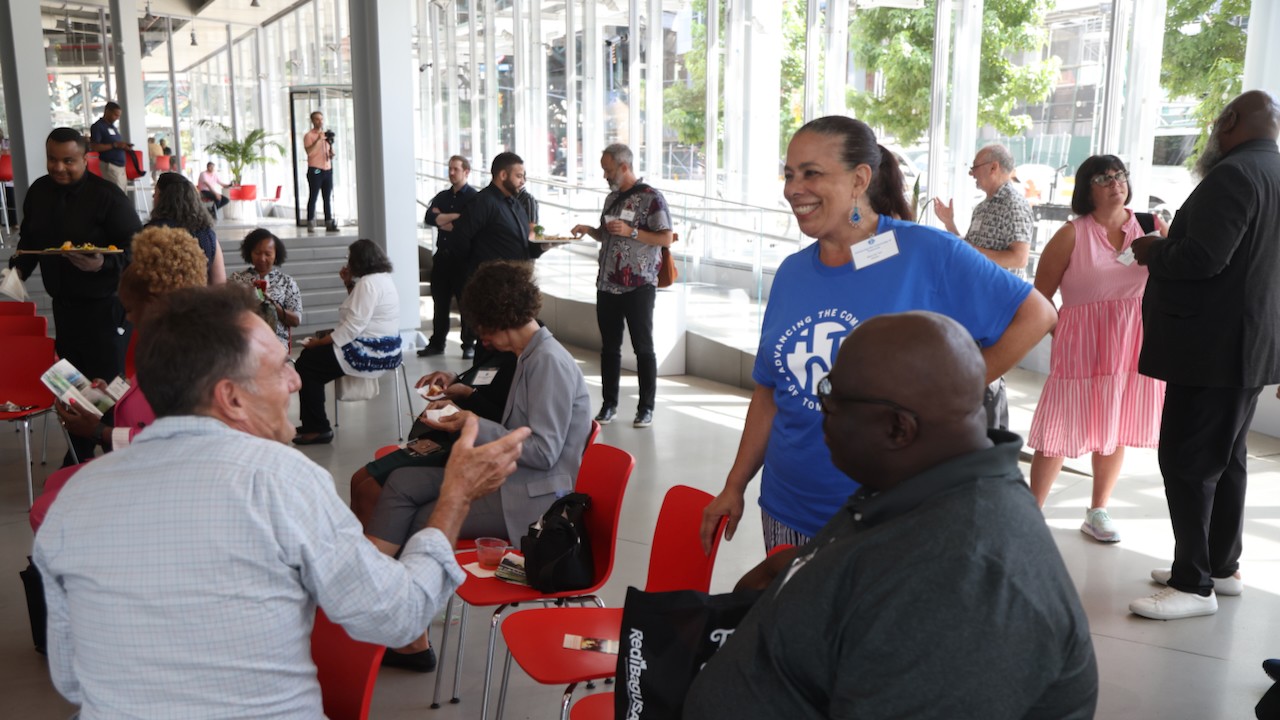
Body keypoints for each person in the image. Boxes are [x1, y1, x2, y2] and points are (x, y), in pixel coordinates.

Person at [33, 283, 530, 718]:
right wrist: (456, 495)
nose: (296, 380)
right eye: (278, 369)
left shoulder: (75, 496)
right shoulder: (279, 481)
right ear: (231, 398)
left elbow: (72, 679)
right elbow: (396, 616)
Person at [683, 311, 1097, 719]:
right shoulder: (921, 481)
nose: (819, 407)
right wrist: (804, 570)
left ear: (899, 429)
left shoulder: (964, 585)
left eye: (831, 395)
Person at [700, 116, 1056, 553]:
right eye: (790, 174)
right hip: (786, 510)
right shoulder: (793, 273)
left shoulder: (925, 252)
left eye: (812, 173)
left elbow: (1037, 314)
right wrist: (735, 485)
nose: (794, 188)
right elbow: (771, 390)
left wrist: (953, 390)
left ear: (859, 179)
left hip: (891, 517)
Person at [366, 260, 589, 670]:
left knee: (424, 521)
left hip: (531, 497)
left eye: (482, 330)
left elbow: (543, 452)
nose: (482, 339)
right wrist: (472, 418)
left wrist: (472, 422)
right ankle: (371, 594)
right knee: (399, 482)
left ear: (499, 320)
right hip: (510, 478)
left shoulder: (548, 363)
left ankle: (406, 637)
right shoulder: (529, 355)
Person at [1128, 90, 1280, 621]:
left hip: (1212, 348)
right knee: (1228, 458)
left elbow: (1203, 259)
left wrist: (1153, 250)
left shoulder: (1234, 175)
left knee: (1188, 462)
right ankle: (1220, 565)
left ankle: (1193, 584)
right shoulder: (1275, 172)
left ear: (1231, 121)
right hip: (1253, 345)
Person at [1026, 155, 1167, 543]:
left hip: (1131, 344)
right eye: (1103, 178)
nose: (1114, 183)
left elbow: (1176, 278)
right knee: (1059, 426)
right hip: (1081, 346)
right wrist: (1063, 333)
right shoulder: (1072, 234)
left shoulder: (1152, 228)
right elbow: (1039, 298)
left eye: (1119, 175)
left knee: (1115, 423)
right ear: (1087, 189)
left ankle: (1098, 509)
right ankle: (1030, 513)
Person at [34, 225, 209, 532]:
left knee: (50, 506)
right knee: (56, 486)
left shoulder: (187, 358)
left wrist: (99, 431)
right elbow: (145, 388)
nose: (127, 318)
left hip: (163, 481)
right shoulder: (169, 341)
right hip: (145, 467)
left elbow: (173, 443)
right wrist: (114, 391)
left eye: (129, 309)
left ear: (154, 303)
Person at [9, 127, 141, 465]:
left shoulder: (108, 196)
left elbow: (138, 250)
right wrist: (17, 272)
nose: (59, 167)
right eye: (52, 159)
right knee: (72, 386)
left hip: (107, 308)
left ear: (86, 158)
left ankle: (116, 461)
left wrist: (101, 264)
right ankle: (81, 454)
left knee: (109, 391)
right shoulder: (38, 192)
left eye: (68, 160)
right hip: (65, 309)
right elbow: (31, 241)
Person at [351, 344, 518, 525]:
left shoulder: (525, 357)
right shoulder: (491, 344)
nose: (482, 336)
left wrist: (468, 395)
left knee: (369, 490)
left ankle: (372, 551)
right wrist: (454, 379)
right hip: (449, 434)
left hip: (472, 447)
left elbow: (506, 425)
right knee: (358, 479)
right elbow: (484, 382)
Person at [571, 143, 674, 429]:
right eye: (604, 169)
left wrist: (633, 232)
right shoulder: (611, 199)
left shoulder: (651, 198)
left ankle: (646, 407)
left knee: (643, 347)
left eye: (608, 169)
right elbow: (606, 236)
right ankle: (609, 404)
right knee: (609, 348)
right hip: (607, 284)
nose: (605, 174)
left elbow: (666, 238)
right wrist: (589, 230)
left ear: (624, 167)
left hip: (639, 285)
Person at [934, 144, 1036, 431]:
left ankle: (991, 439)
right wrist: (950, 226)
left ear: (993, 167)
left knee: (989, 376)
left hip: (998, 304)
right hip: (978, 302)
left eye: (974, 168)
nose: (971, 175)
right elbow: (972, 249)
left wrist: (969, 250)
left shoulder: (1013, 204)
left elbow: (1018, 257)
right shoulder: (985, 205)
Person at [293, 239, 401, 444]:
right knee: (308, 360)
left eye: (350, 258)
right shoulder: (380, 279)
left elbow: (352, 328)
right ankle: (312, 423)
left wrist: (319, 342)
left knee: (306, 365)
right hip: (384, 347)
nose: (348, 262)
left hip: (369, 352)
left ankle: (318, 428)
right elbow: (360, 313)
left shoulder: (368, 284)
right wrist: (349, 283)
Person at [445, 151, 544, 359]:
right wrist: (476, 274)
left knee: (512, 354)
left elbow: (525, 246)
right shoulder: (483, 202)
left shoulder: (515, 204)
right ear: (502, 175)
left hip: (514, 292)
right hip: (493, 293)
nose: (522, 181)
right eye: (519, 175)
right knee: (491, 353)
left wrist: (544, 246)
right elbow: (459, 241)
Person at [420, 154, 479, 357]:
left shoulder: (474, 198)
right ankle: (437, 343)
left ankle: (469, 344)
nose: (451, 172)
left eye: (456, 169)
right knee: (440, 302)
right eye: (450, 168)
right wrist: (453, 218)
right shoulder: (442, 196)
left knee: (466, 303)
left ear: (466, 172)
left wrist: (442, 218)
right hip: (442, 258)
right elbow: (429, 218)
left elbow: (467, 224)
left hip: (463, 260)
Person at [228, 228, 303, 348]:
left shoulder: (287, 282)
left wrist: (273, 306)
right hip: (244, 340)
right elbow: (226, 313)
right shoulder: (237, 279)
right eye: (257, 253)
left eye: (267, 254)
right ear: (250, 252)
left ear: (276, 254)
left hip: (275, 342)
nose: (262, 258)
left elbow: (296, 320)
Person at [148, 171, 227, 284]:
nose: (153, 197)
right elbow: (219, 283)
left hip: (164, 299)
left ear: (161, 198)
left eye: (155, 193)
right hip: (199, 299)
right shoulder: (207, 235)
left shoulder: (152, 232)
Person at [303, 110, 337, 233]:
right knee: (314, 196)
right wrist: (318, 140)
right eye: (317, 119)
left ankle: (329, 222)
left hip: (327, 170)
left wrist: (331, 153)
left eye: (321, 119)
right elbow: (309, 152)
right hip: (316, 170)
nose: (320, 121)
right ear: (312, 121)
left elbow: (328, 151)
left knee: (327, 197)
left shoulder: (326, 136)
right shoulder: (309, 136)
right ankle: (311, 222)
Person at [88, 101, 132, 192]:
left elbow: (115, 143)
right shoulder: (98, 127)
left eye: (119, 116)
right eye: (115, 115)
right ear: (107, 111)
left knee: (123, 193)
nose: (117, 118)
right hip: (110, 165)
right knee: (117, 194)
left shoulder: (112, 127)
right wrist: (114, 145)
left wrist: (123, 146)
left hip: (120, 166)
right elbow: (95, 147)